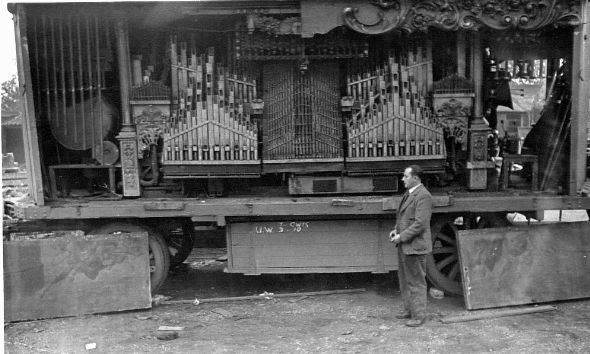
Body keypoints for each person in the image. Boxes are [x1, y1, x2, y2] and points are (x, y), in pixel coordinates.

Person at [390, 164, 433, 327]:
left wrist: (401, 237)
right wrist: (396, 230)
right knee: (405, 279)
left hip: (415, 246)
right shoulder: (409, 194)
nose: (402, 179)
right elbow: (404, 218)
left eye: (405, 176)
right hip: (406, 245)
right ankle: (409, 309)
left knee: (416, 282)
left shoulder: (424, 196)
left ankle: (419, 315)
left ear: (416, 178)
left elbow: (420, 223)